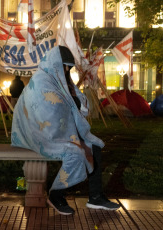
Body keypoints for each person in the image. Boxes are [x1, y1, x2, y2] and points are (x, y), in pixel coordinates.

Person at [11, 45, 120, 215]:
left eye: (69, 66)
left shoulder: (62, 81)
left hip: (60, 132)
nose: (67, 69)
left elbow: (82, 106)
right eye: (65, 66)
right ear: (54, 63)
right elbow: (47, 109)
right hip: (38, 134)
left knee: (94, 146)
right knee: (75, 153)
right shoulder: (41, 80)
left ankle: (96, 197)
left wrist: (74, 101)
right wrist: (72, 104)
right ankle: (56, 194)